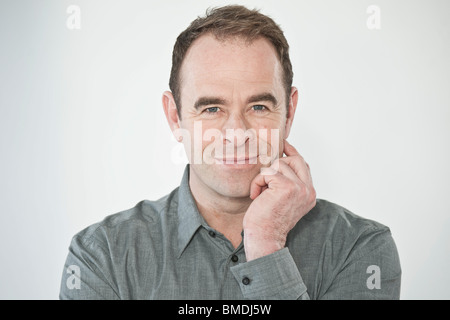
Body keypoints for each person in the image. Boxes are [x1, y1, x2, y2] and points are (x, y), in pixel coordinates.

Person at [60, 5, 401, 300]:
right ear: (174, 117)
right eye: (211, 109)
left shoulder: (360, 248)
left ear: (289, 113)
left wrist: (266, 244)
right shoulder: (100, 254)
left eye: (258, 106)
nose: (237, 134)